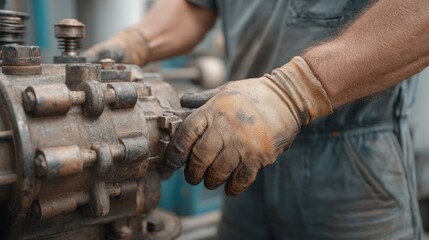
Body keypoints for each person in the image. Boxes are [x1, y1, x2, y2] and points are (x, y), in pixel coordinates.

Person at [85, 0, 429, 239]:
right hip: (241, 153)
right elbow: (196, 6)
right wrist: (134, 43)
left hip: (350, 169)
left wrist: (295, 91)